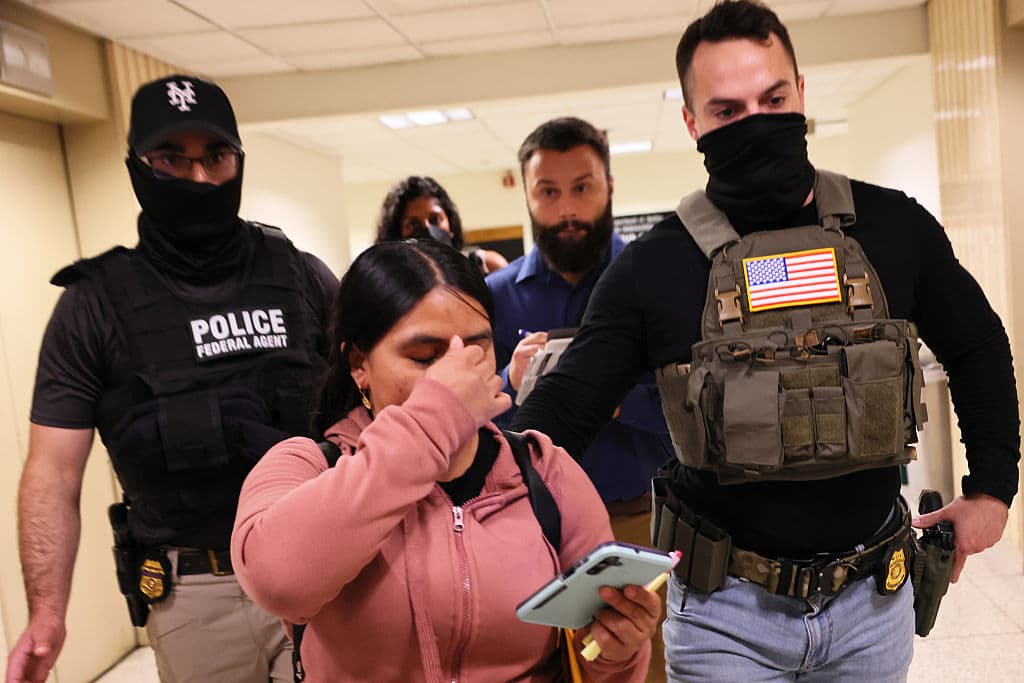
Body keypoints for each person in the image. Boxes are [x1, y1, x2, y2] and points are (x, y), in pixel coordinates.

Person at [512, 1, 1020, 681]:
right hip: (726, 614)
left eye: (773, 97)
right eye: (727, 110)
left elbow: (979, 346)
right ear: (692, 122)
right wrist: (465, 493)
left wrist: (992, 487)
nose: (754, 121)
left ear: (801, 93)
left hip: (873, 601)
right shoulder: (656, 268)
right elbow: (563, 415)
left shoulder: (894, 228)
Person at [7, 75, 336, 683]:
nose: (199, 179)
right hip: (196, 592)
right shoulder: (93, 305)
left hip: (318, 565)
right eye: (171, 160)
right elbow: (52, 473)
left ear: (238, 159)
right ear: (137, 168)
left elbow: (370, 402)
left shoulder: (300, 276)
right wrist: (47, 613)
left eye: (216, 157)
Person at [231, 239, 656, 683]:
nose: (458, 376)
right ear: (358, 363)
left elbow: (595, 664)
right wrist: (436, 420)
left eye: (475, 349)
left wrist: (614, 652)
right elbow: (278, 582)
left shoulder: (546, 471)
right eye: (424, 357)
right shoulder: (307, 466)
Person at [487, 117, 674, 680]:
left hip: (636, 523)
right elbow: (466, 417)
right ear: (527, 195)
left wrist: (610, 396)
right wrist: (506, 381)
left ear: (610, 186)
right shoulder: (494, 300)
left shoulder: (656, 282)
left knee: (642, 669)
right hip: (520, 527)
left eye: (582, 187)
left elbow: (693, 412)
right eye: (548, 191)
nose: (566, 209)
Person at [376, 175, 509, 273]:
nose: (427, 228)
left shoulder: (486, 267)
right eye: (413, 224)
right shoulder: (390, 286)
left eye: (435, 219)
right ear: (397, 234)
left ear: (450, 223)